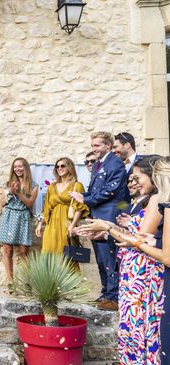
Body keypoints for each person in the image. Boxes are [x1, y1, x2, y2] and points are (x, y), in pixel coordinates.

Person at [85, 156, 168, 365]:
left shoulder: (158, 201)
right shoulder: (144, 202)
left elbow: (140, 238)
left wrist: (108, 227)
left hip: (144, 276)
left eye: (137, 177)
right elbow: (135, 237)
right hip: (134, 273)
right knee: (132, 336)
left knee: (143, 336)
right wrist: (111, 231)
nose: (132, 182)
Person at [70, 131, 127, 311]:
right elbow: (95, 191)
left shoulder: (115, 163)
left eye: (97, 146)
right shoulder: (96, 165)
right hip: (97, 215)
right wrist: (82, 196)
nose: (93, 149)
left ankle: (114, 296)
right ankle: (106, 293)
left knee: (110, 255)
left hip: (109, 215)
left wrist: (86, 199)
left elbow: (111, 190)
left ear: (107, 146)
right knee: (101, 258)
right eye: (92, 145)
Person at [35, 158, 89, 270]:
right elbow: (46, 208)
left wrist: (73, 225)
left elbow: (79, 208)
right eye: (57, 166)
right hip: (51, 226)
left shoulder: (77, 185)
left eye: (63, 166)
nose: (59, 168)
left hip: (67, 223)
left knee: (66, 255)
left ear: (69, 167)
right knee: (48, 252)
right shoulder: (52, 187)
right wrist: (40, 224)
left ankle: (68, 286)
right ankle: (50, 285)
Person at [0, 158, 38, 284]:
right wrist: (10, 192)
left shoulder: (33, 185)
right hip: (9, 217)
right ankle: (11, 282)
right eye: (15, 167)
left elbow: (30, 203)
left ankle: (27, 283)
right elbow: (2, 204)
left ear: (25, 167)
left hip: (23, 218)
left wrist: (19, 193)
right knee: (7, 250)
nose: (18, 169)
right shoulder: (8, 183)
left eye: (20, 166)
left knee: (24, 251)